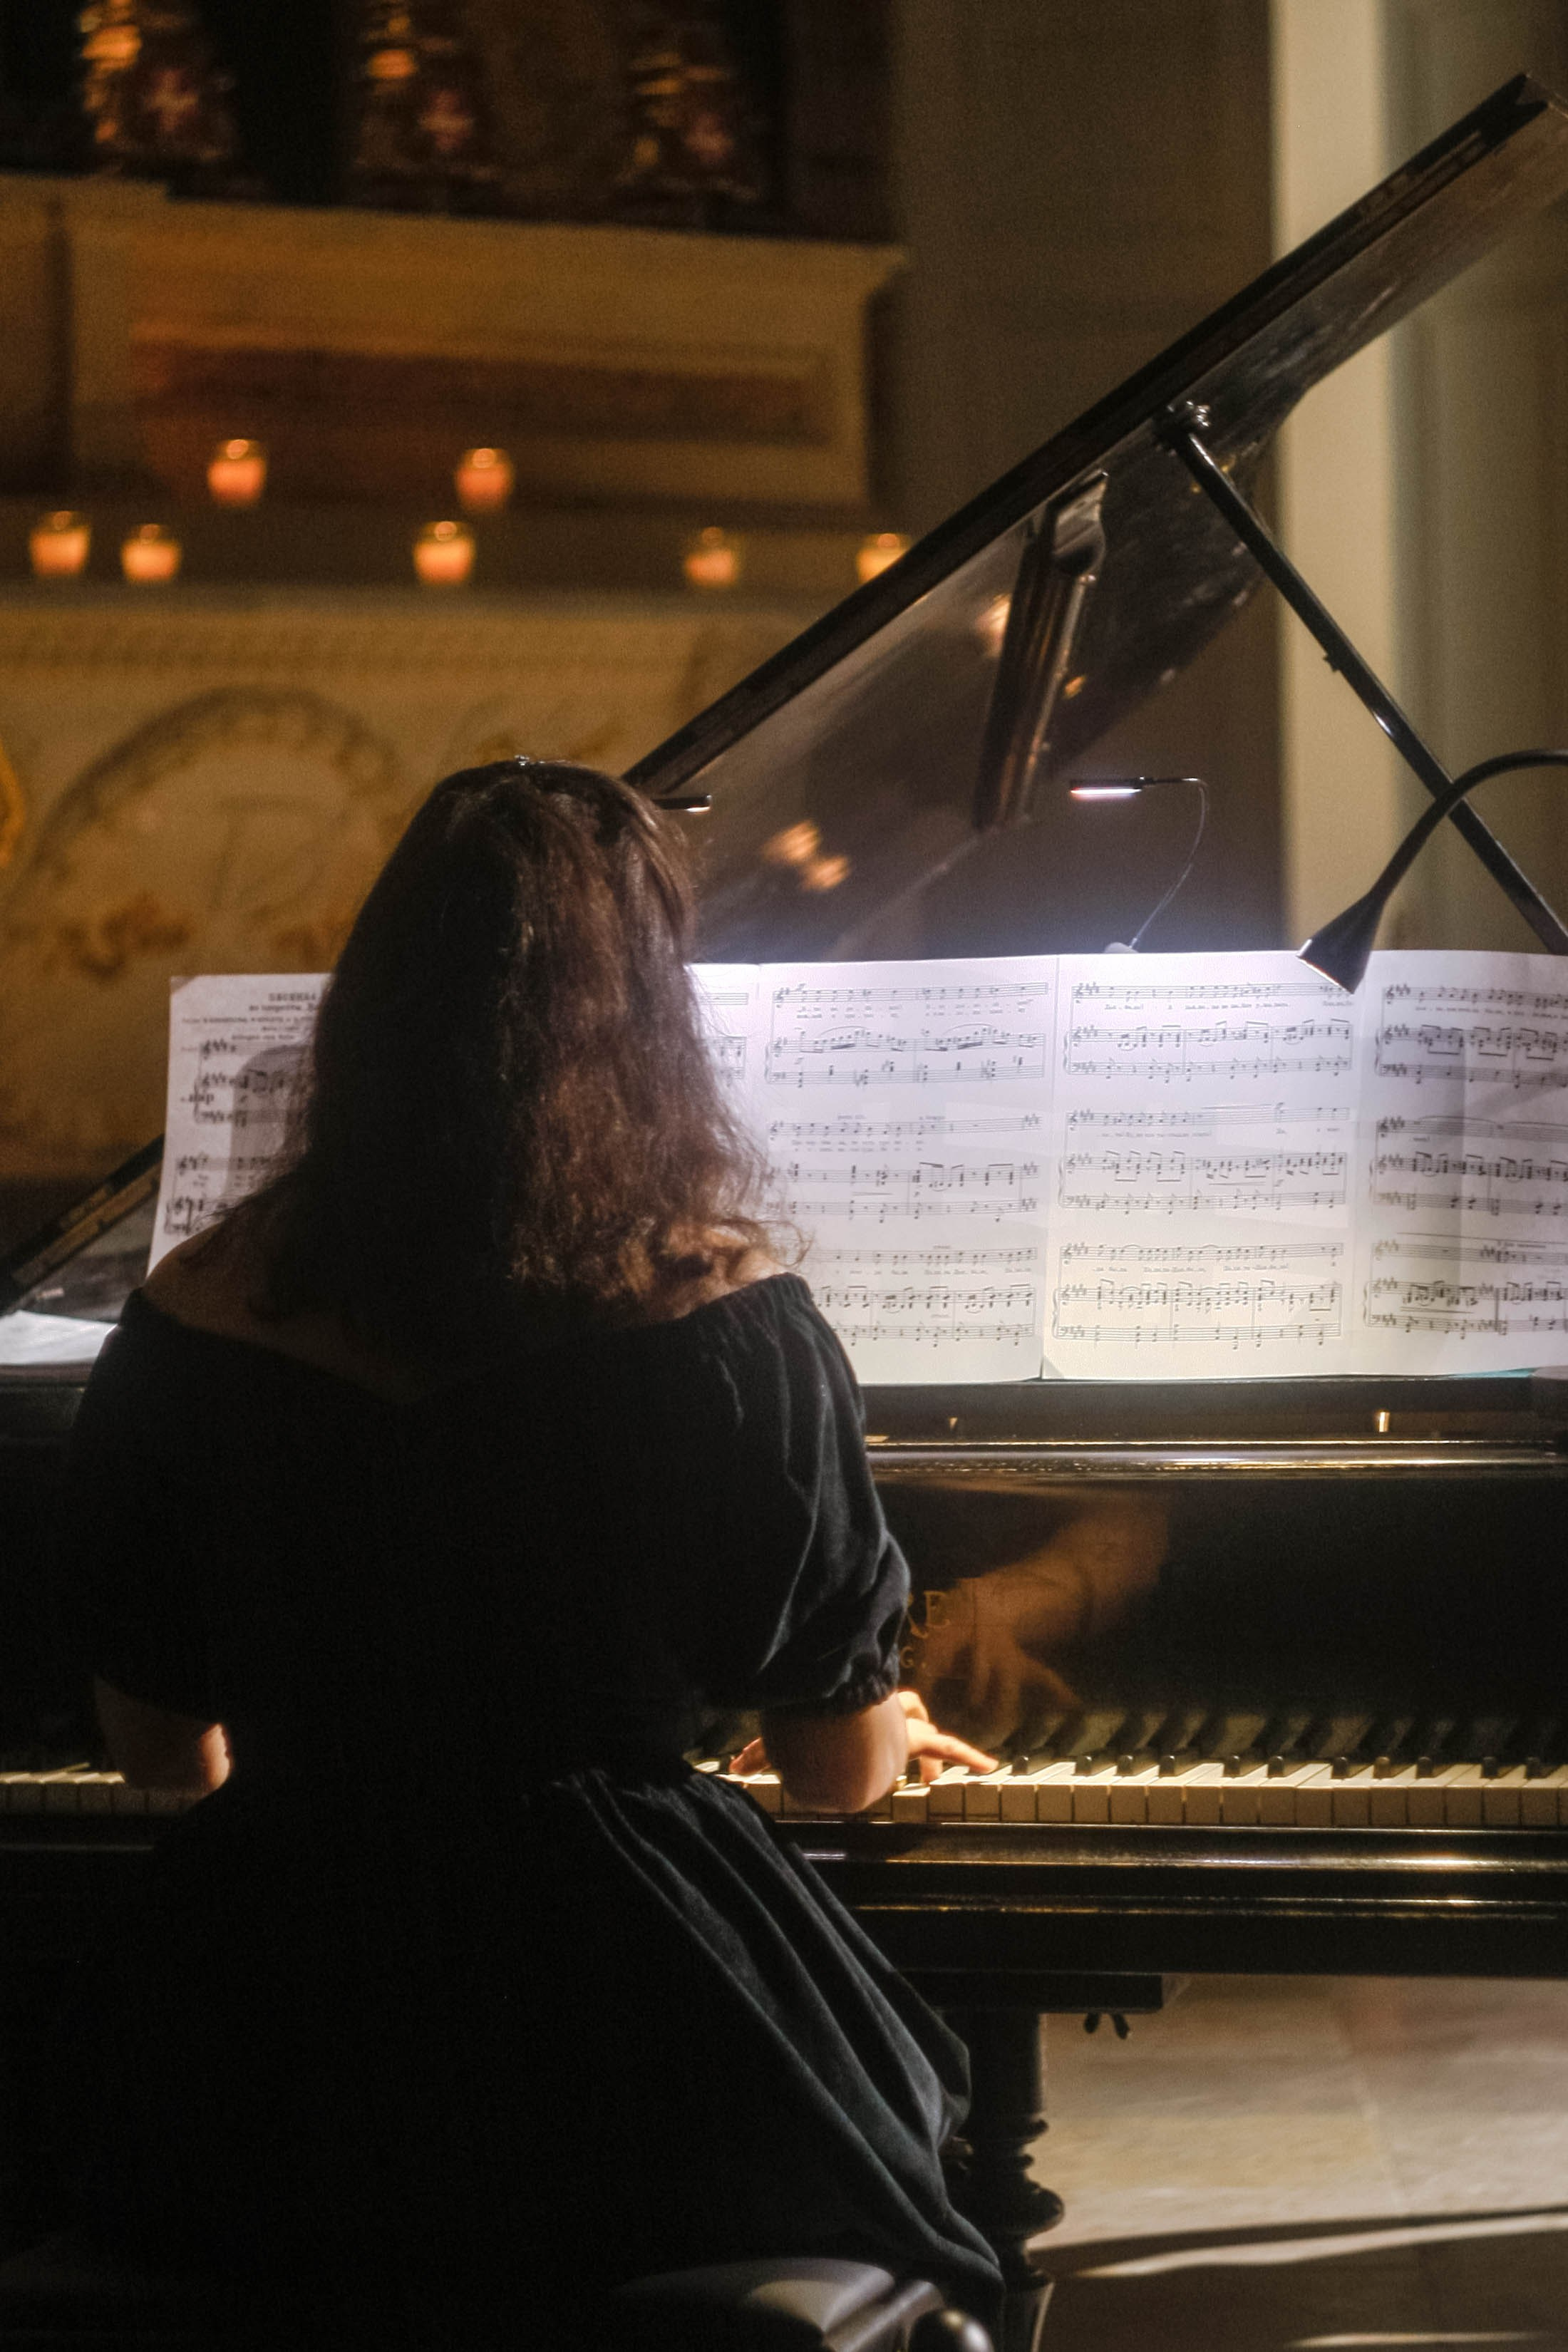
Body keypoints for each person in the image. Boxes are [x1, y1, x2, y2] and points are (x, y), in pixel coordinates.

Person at [49, 760, 1005, 2346]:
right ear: (646, 1028)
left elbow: (165, 1752)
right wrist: (882, 1718)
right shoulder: (725, 1320)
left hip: (271, 2061)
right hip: (636, 2048)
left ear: (367, 1014)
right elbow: (834, 1776)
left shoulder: (195, 1310)